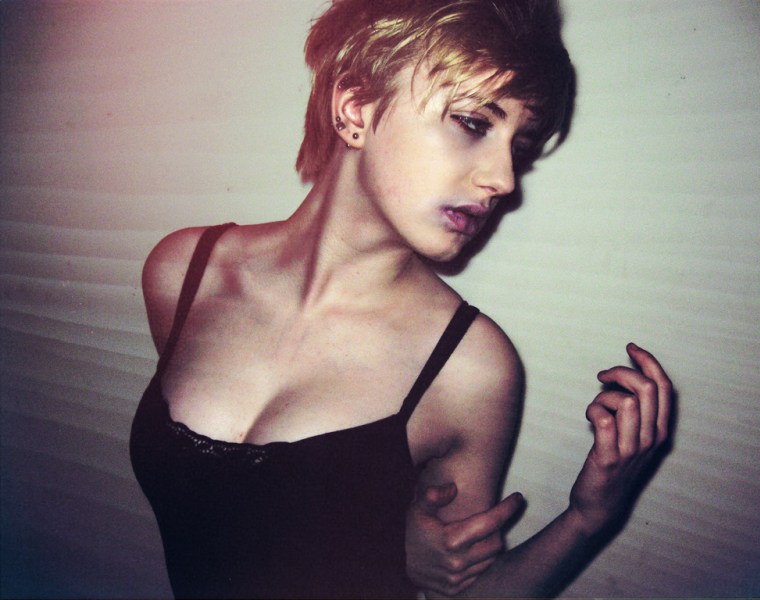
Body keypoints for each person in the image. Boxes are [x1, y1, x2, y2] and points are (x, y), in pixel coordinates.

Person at [129, 0, 673, 598]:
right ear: (356, 107)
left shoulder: (469, 368)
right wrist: (379, 539)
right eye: (473, 123)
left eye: (517, 148)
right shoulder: (184, 273)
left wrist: (589, 519)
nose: (503, 180)